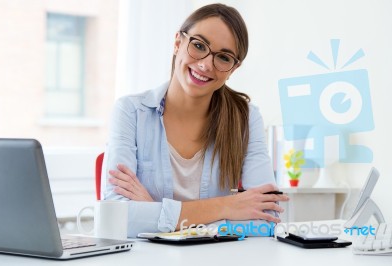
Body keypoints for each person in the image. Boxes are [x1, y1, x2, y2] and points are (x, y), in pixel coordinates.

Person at [101, 3, 289, 237]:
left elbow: (266, 221)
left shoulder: (246, 118)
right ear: (178, 43)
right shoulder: (130, 112)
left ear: (234, 68)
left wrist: (153, 210)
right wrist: (227, 206)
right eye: (198, 46)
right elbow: (116, 219)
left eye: (223, 57)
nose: (205, 65)